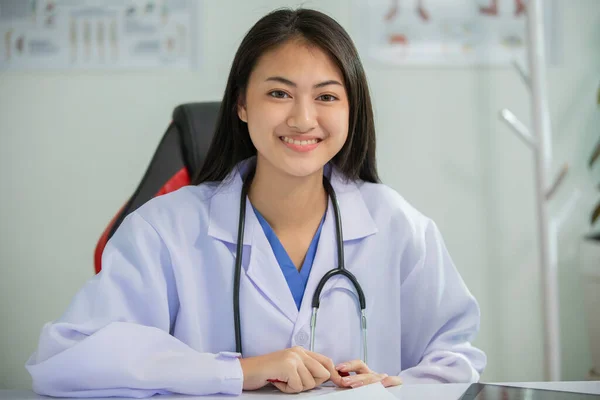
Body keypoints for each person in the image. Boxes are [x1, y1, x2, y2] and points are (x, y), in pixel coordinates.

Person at [25, 7, 486, 398]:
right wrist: (239, 372)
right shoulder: (165, 229)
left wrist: (391, 388)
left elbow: (456, 361)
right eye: (279, 93)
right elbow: (66, 359)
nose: (303, 119)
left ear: (352, 110)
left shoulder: (398, 225)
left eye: (326, 96)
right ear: (241, 104)